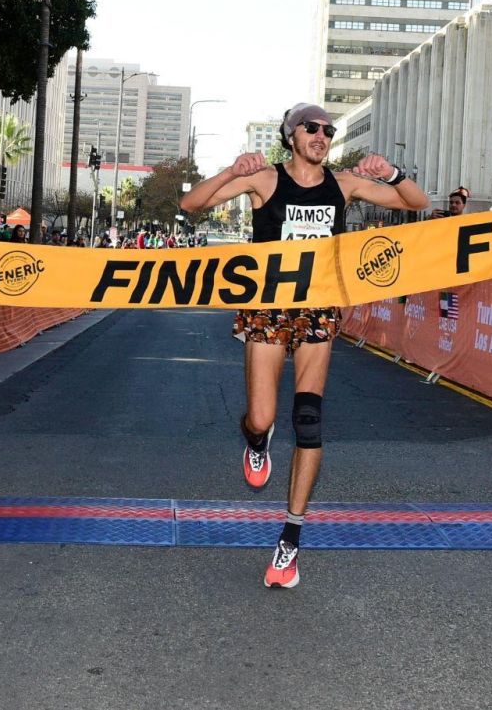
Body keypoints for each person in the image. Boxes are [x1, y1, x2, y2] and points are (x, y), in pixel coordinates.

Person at [180, 102, 428, 588]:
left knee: (309, 420)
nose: (321, 135)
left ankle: (289, 543)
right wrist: (232, 171)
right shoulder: (265, 180)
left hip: (318, 311)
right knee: (262, 418)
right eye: (311, 128)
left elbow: (416, 203)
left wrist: (392, 173)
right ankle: (256, 440)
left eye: (328, 130)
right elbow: (192, 204)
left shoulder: (344, 184)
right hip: (267, 308)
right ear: (290, 135)